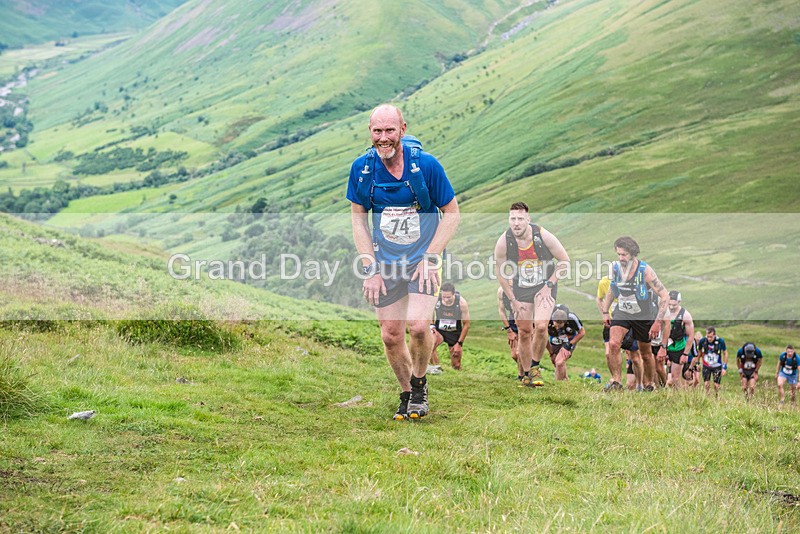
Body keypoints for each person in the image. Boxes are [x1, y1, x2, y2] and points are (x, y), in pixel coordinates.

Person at [348, 104, 460, 420]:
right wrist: (369, 268)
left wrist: (431, 258)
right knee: (390, 335)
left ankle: (420, 382)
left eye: (390, 131)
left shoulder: (426, 166)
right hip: (385, 263)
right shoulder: (362, 169)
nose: (383, 138)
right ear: (370, 132)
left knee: (419, 326)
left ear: (402, 129)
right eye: (377, 131)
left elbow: (451, 214)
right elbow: (359, 222)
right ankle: (407, 393)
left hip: (423, 259)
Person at [494, 202, 570, 388]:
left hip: (545, 285)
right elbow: (500, 272)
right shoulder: (504, 241)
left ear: (528, 219)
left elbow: (564, 261)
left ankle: (535, 367)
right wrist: (512, 298)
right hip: (521, 289)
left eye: (520, 219)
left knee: (542, 326)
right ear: (509, 220)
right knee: (524, 332)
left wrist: (549, 284)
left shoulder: (542, 236)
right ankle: (527, 374)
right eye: (513, 219)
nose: (516, 223)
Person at [599, 236, 670, 391]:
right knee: (613, 344)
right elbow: (612, 289)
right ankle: (616, 381)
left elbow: (664, 295)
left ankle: (649, 384)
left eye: (623, 254)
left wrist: (658, 322)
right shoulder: (616, 268)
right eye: (618, 254)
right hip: (623, 311)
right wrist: (605, 311)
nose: (620, 258)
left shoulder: (645, 271)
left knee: (645, 354)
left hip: (643, 315)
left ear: (632, 254)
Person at [596, 275, 641, 390]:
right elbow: (599, 298)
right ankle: (616, 381)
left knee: (634, 357)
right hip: (611, 321)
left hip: (628, 320)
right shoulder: (604, 282)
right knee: (609, 352)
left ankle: (640, 384)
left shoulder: (629, 281)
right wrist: (604, 314)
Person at [429, 282, 470, 372]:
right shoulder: (436, 299)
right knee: (429, 346)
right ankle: (436, 369)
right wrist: (432, 325)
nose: (446, 299)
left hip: (454, 333)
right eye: (444, 297)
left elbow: (466, 324)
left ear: (454, 293)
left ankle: (457, 374)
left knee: (456, 365)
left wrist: (459, 343)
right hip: (439, 330)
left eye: (448, 297)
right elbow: (429, 311)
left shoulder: (461, 303)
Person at [662, 291, 695, 389]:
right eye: (669, 304)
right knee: (660, 373)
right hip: (663, 347)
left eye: (674, 305)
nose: (671, 307)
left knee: (674, 379)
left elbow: (690, 336)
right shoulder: (662, 311)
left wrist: (685, 354)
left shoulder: (685, 315)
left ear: (679, 302)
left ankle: (678, 398)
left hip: (678, 349)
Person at [546, 304, 585, 380]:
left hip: (569, 339)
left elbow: (582, 332)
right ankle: (565, 382)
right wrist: (551, 353)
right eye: (555, 326)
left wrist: (568, 345)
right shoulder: (546, 319)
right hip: (554, 339)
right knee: (557, 363)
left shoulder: (572, 318)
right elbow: (542, 337)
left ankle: (558, 386)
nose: (557, 328)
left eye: (559, 326)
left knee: (559, 362)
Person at [497, 287, 522, 380]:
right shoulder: (501, 291)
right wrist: (509, 330)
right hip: (512, 323)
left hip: (526, 321)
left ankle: (522, 376)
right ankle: (529, 369)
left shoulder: (524, 288)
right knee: (514, 355)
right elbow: (501, 310)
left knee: (520, 353)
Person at [697, 327, 728, 395]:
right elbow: (699, 352)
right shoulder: (702, 341)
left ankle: (716, 397)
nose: (709, 339)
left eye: (711, 337)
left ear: (714, 335)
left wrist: (724, 367)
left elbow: (725, 353)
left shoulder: (720, 341)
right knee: (706, 384)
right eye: (708, 336)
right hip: (706, 365)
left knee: (716, 386)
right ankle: (707, 398)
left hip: (717, 366)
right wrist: (698, 362)